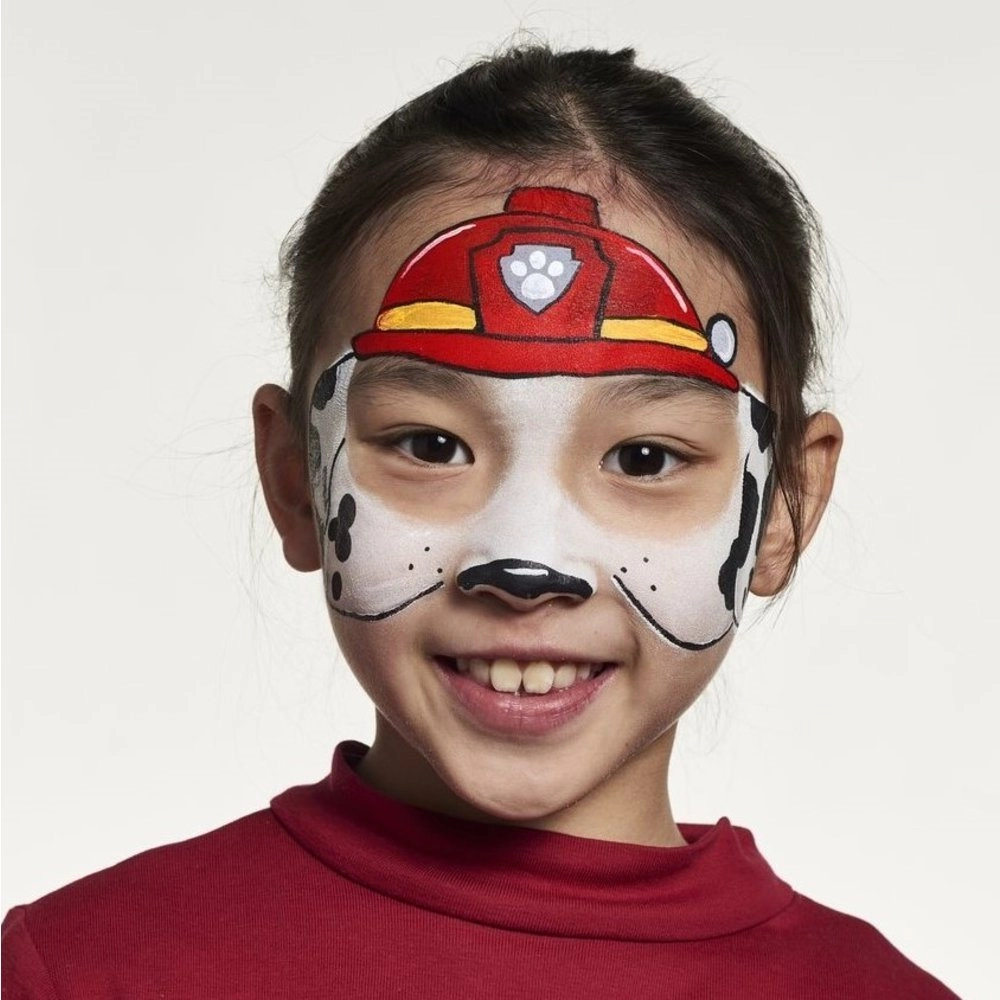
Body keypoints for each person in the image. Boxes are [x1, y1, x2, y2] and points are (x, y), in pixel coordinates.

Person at [2, 45, 959, 998]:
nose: (526, 564)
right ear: (295, 480)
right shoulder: (79, 971)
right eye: (430, 445)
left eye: (644, 458)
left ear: (784, 507)